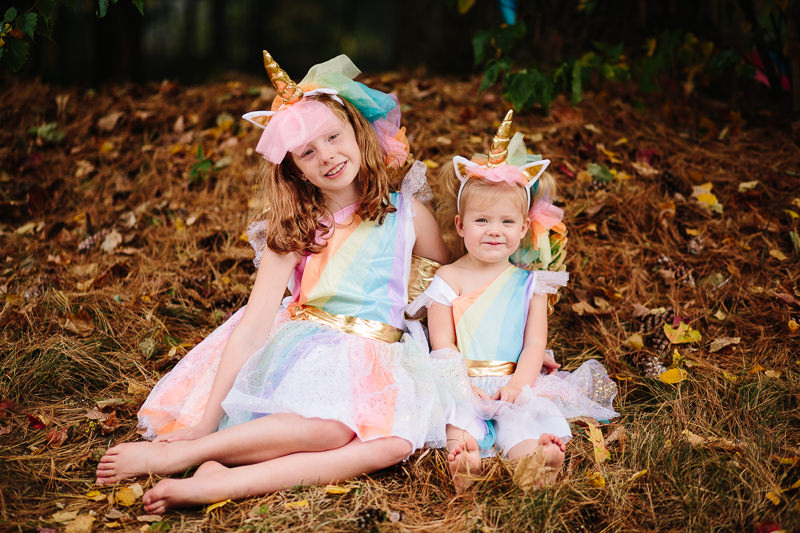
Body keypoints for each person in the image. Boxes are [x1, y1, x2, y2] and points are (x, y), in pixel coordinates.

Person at [95, 52, 453, 514]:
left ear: (358, 134)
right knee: (330, 429)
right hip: (311, 348)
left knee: (396, 442)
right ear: (294, 167)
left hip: (379, 355)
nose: (326, 155)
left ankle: (220, 478)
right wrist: (207, 421)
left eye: (332, 136)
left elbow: (448, 289)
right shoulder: (298, 227)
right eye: (307, 151)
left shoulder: (410, 215)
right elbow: (253, 325)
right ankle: (190, 452)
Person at [408, 111, 619, 492]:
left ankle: (535, 462)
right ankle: (465, 461)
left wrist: (519, 385)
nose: (494, 231)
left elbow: (535, 343)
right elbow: (443, 344)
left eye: (507, 223)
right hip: (461, 378)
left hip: (513, 378)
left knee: (521, 419)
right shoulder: (447, 279)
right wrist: (462, 386)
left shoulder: (531, 283)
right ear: (460, 225)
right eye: (482, 221)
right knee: (458, 419)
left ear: (523, 229)